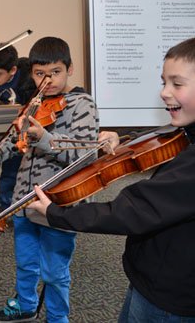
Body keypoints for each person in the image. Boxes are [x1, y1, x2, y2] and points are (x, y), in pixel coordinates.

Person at [28, 37, 195, 322]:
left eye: (177, 84)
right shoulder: (186, 134)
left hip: (169, 295)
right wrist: (125, 138)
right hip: (153, 277)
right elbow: (158, 138)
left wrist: (57, 213)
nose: (165, 92)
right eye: (163, 82)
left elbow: (133, 210)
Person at [0, 36, 98, 323]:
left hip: (59, 202)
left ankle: (57, 317)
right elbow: (14, 140)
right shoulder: (34, 103)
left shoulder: (82, 105)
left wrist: (45, 138)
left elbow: (85, 155)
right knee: (26, 263)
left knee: (55, 272)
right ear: (31, 73)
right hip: (24, 200)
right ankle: (25, 304)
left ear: (69, 69)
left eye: (55, 72)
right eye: (39, 74)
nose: (47, 81)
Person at [0, 45, 35, 216]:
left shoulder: (29, 81)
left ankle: (26, 208)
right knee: (8, 170)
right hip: (12, 135)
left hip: (31, 133)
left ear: (13, 70)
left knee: (29, 172)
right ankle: (6, 205)